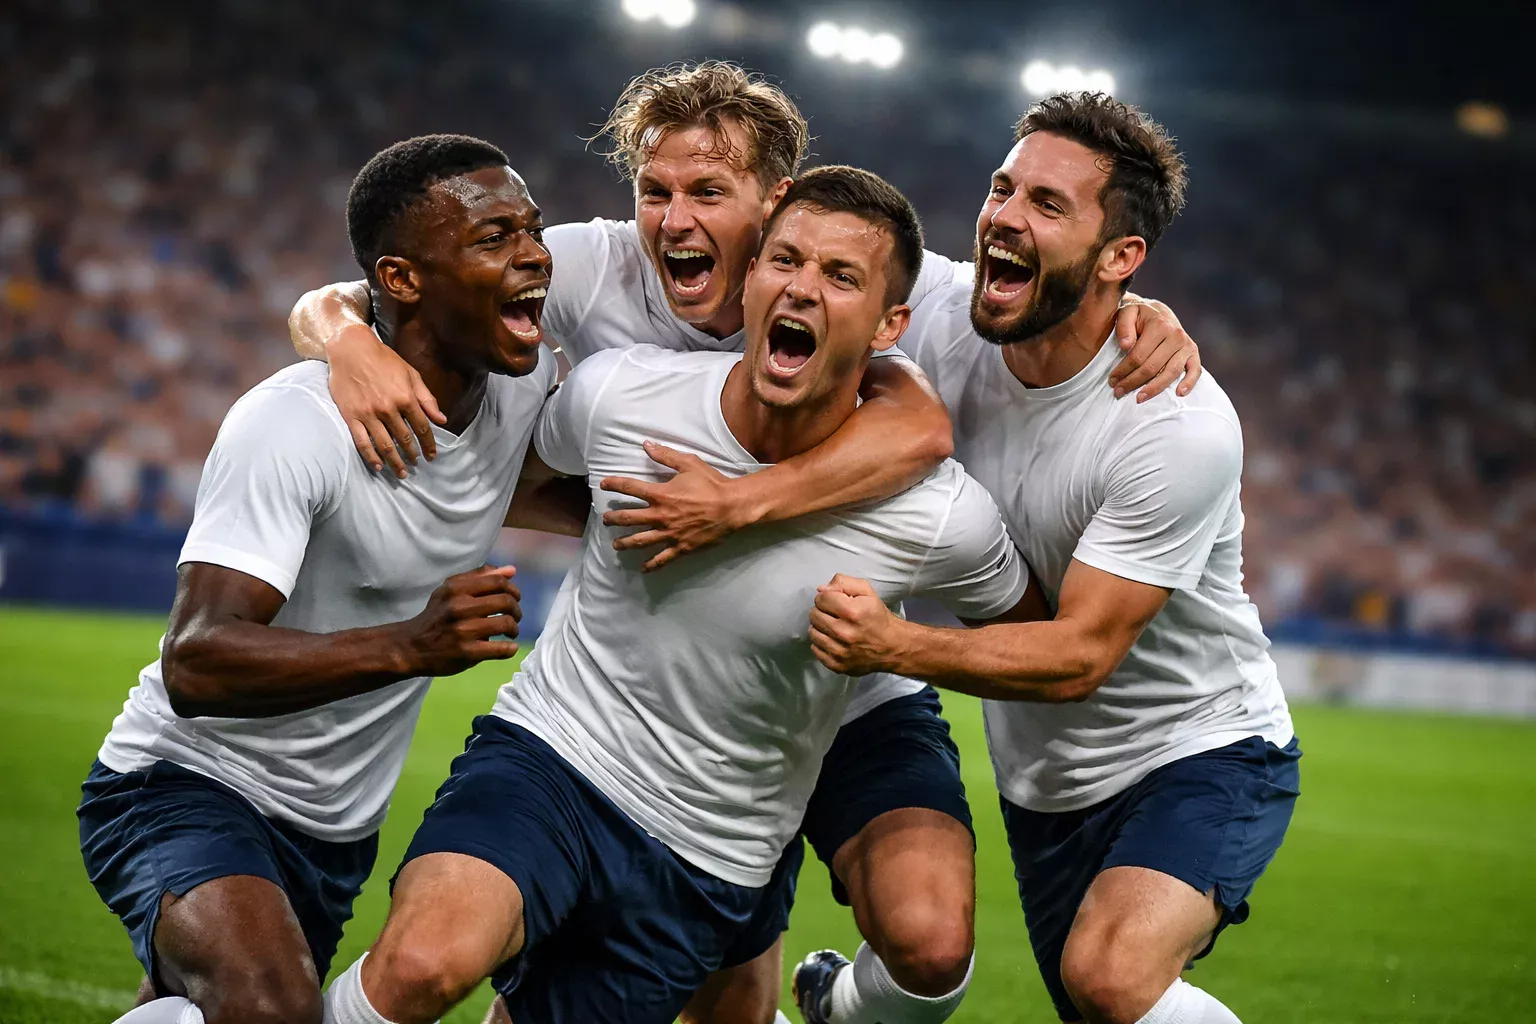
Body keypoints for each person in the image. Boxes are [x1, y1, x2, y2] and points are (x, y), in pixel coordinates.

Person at [290, 61, 1203, 1024]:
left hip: (841, 676)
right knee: (619, 982)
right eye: (656, 192)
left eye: (708, 194)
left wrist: (1141, 311)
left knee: (927, 942)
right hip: (646, 691)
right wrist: (345, 341)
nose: (674, 221)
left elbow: (933, 415)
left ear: (777, 206)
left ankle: (833, 1003)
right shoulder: (592, 274)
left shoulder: (884, 278)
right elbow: (384, 290)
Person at [806, 93, 1300, 1024]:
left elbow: (1079, 656)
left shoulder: (1174, 425)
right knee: (1095, 998)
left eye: (1048, 204)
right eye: (1004, 188)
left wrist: (891, 646)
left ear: (1121, 257)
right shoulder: (945, 313)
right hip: (1047, 784)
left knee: (1112, 978)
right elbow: (783, 265)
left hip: (1200, 747)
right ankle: (834, 1005)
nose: (1005, 216)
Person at [77, 134, 563, 1024]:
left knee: (203, 1012)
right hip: (187, 783)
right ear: (405, 278)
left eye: (532, 230)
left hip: (335, 831)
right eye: (494, 237)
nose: (534, 253)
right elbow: (197, 664)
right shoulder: (293, 423)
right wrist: (413, 646)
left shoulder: (522, 390)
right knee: (272, 1011)